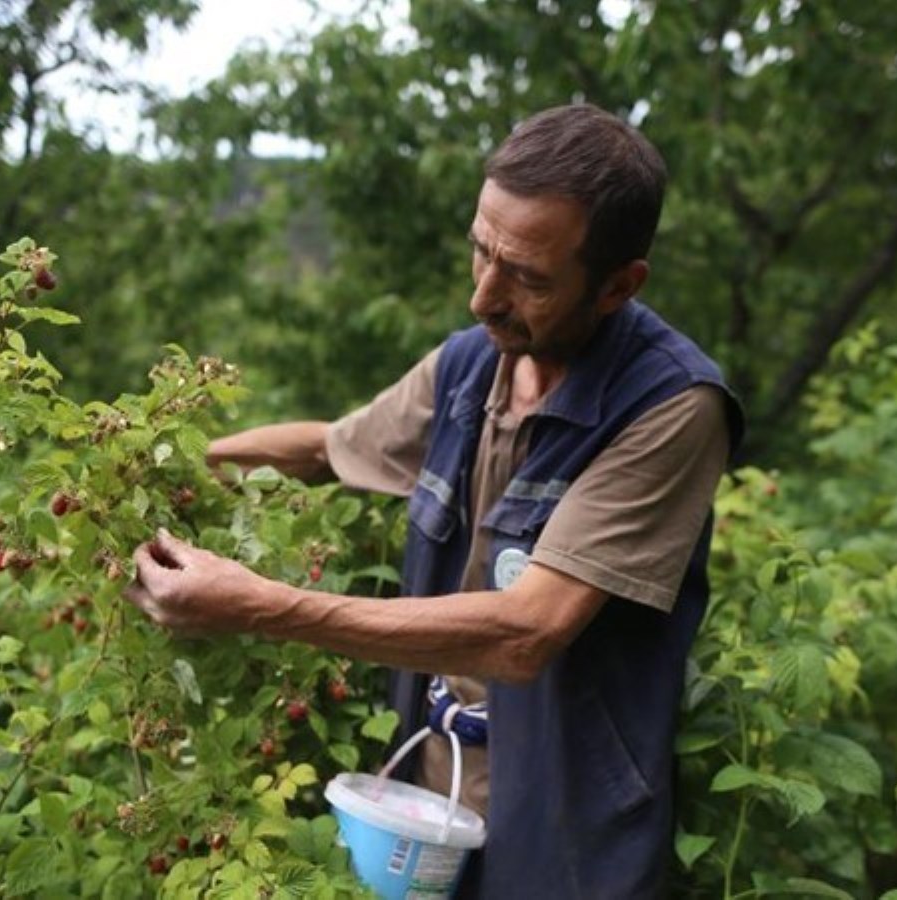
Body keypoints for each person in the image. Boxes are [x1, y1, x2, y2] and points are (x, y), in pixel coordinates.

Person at [125, 103, 743, 898]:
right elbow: (328, 450)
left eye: (527, 277)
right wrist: (160, 460)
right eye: (481, 252)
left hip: (566, 825)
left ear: (619, 285)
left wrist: (257, 604)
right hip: (428, 803)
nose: (484, 298)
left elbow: (528, 632)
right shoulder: (470, 368)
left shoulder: (669, 406)